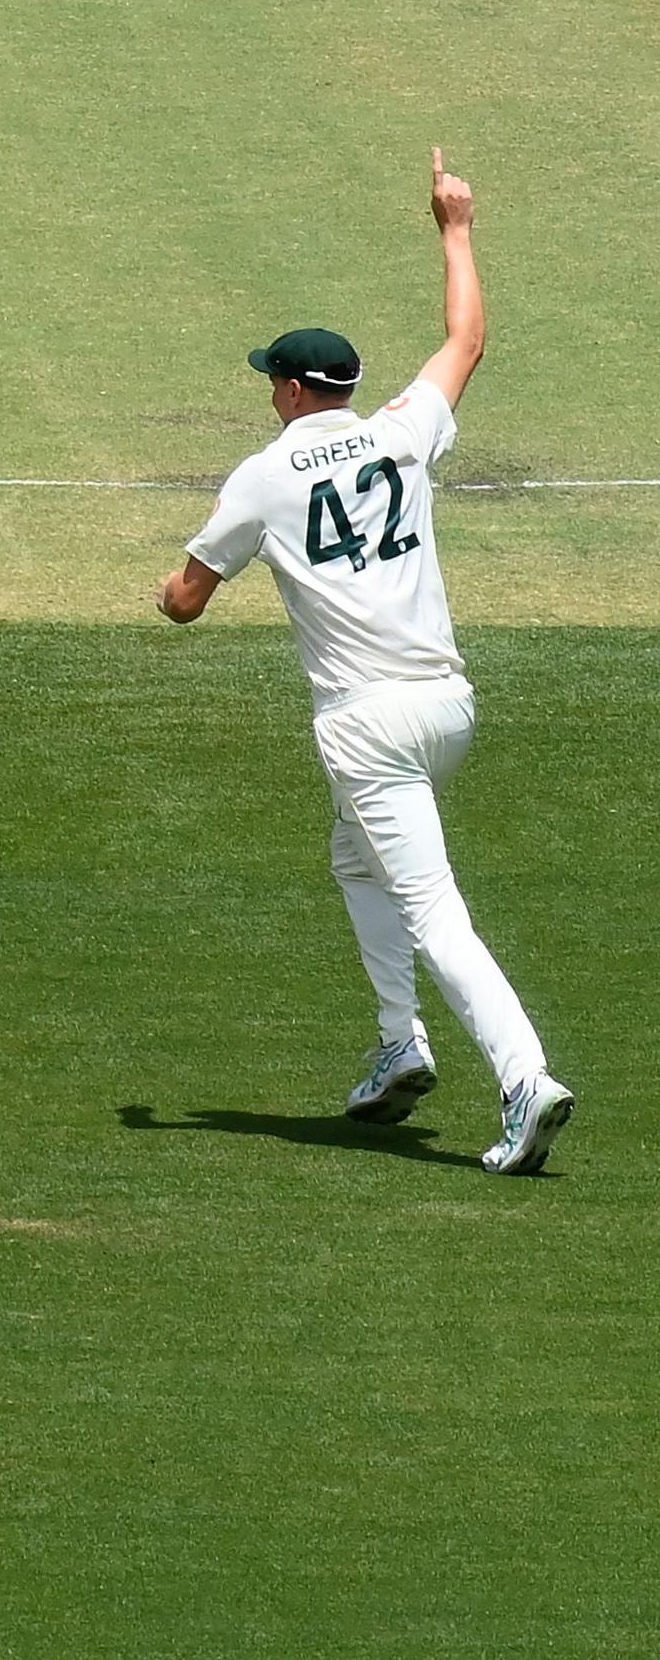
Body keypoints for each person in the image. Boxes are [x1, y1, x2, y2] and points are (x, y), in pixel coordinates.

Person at [157, 150, 571, 1174]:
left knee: (435, 910)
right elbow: (467, 337)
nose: (270, 394)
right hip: (446, 709)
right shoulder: (400, 430)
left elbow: (185, 602)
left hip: (366, 725)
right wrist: (456, 225)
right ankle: (399, 1046)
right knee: (356, 857)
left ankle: (525, 1079)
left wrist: (171, 591)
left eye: (273, 382)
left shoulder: (262, 478)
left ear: (295, 391)